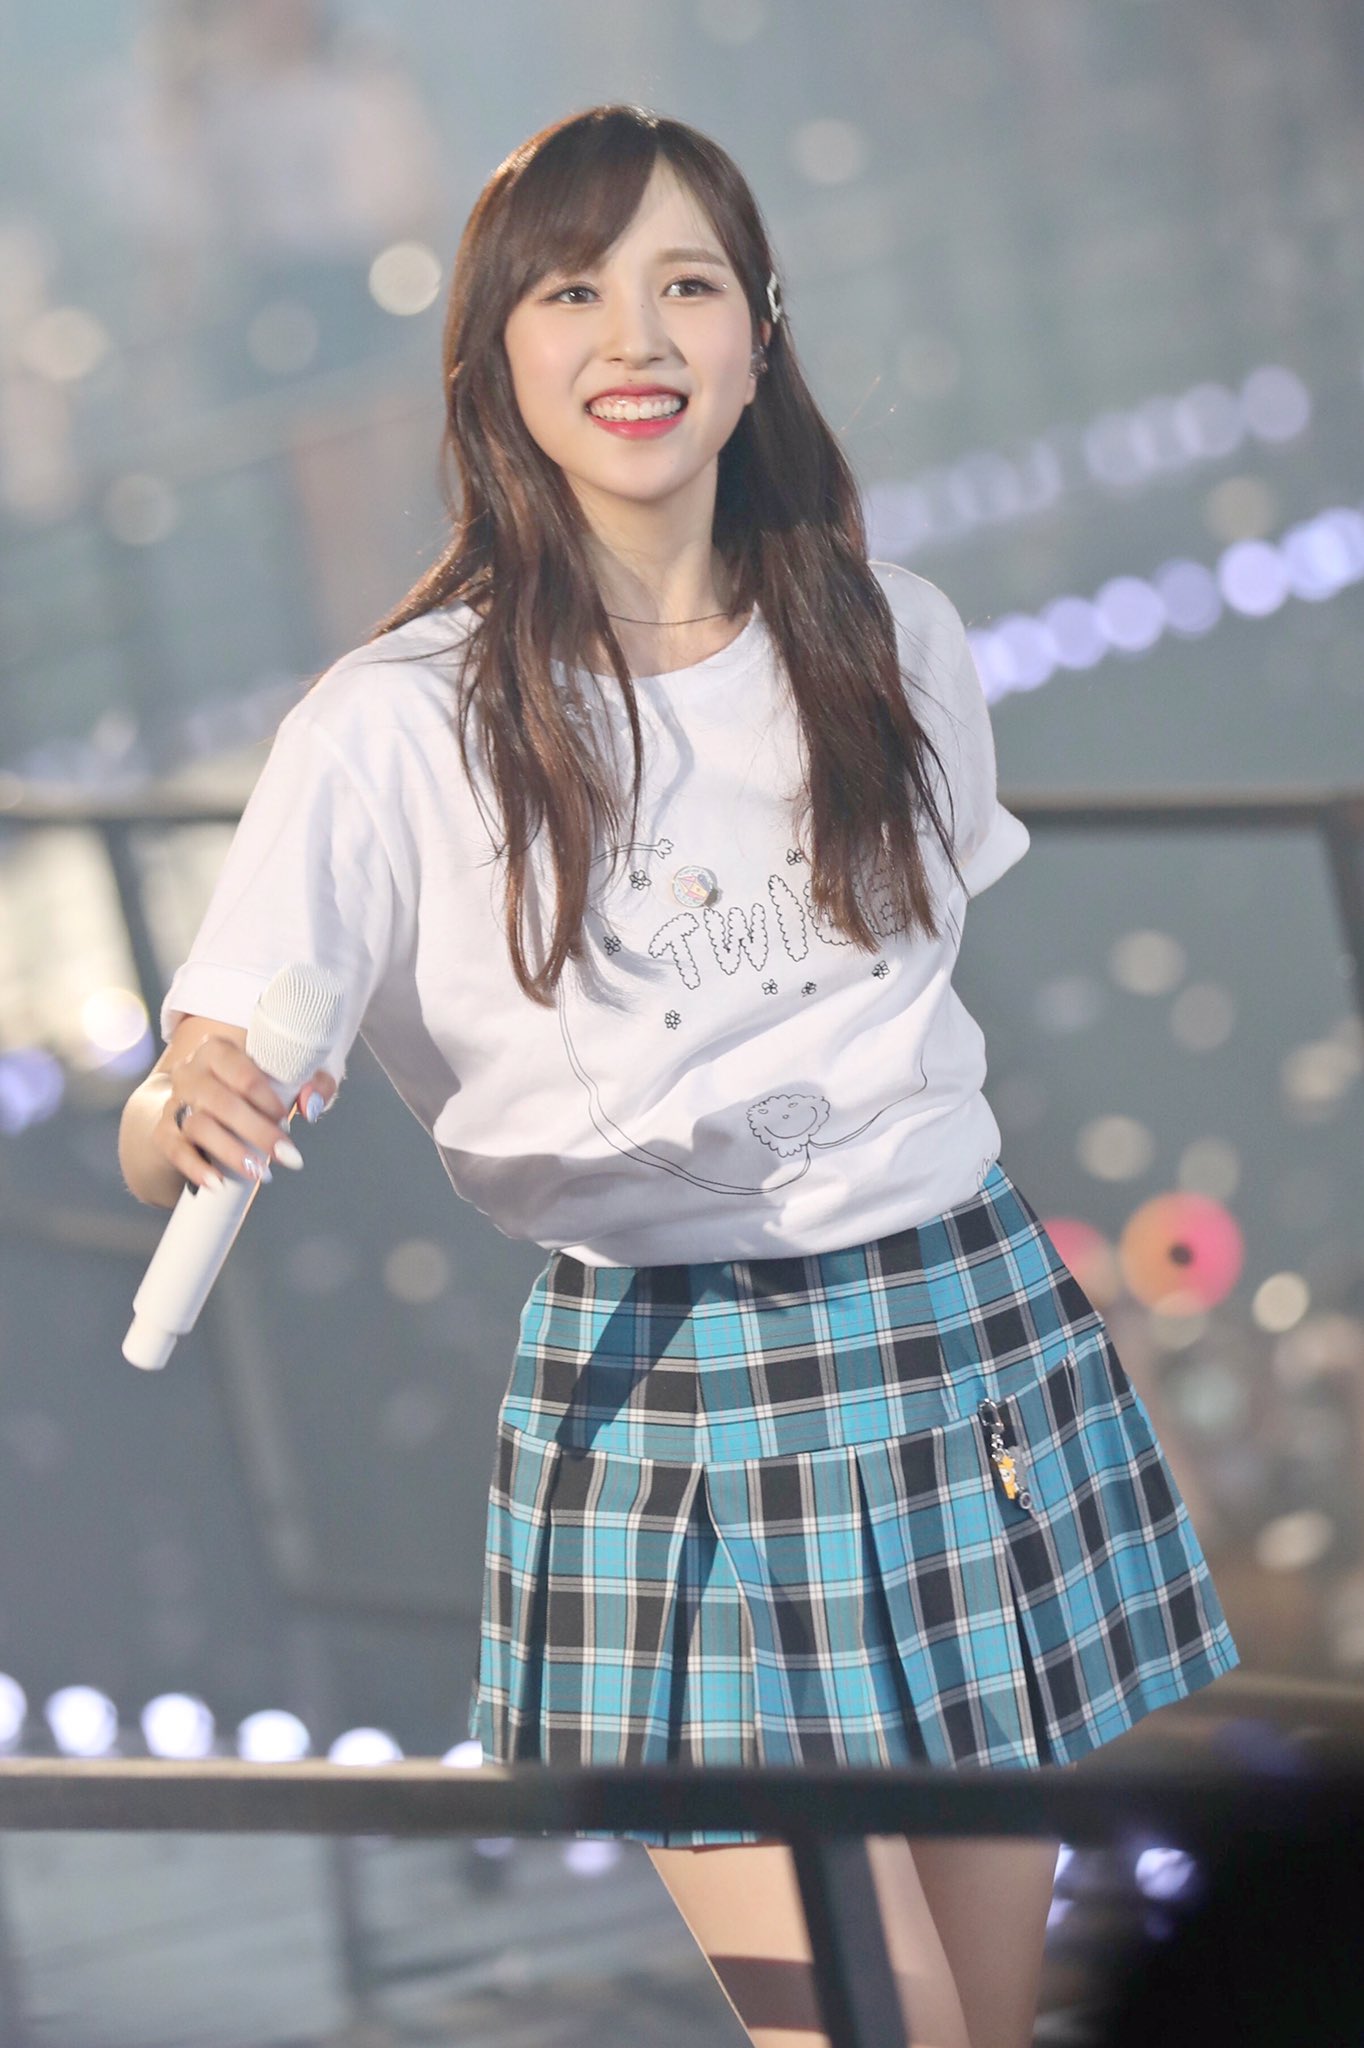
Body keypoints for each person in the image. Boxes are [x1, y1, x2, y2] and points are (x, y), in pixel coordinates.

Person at [118, 105, 1241, 2048]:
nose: (634, 338)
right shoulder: (392, 728)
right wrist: (180, 1112)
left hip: (958, 1332)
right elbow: (189, 1091)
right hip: (667, 1393)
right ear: (494, 350)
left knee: (985, 2022)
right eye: (573, 292)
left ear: (759, 326)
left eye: (687, 285)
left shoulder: (894, 640)